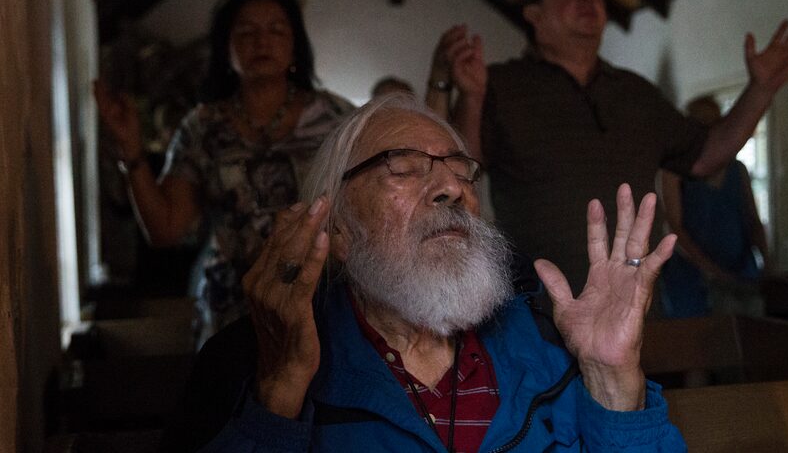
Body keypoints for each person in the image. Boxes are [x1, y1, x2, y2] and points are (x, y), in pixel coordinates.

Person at [162, 94, 686, 452]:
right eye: (405, 167)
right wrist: (279, 391)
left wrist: (613, 378)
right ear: (337, 229)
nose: (450, 187)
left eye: (461, 170)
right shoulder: (256, 366)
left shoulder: (551, 348)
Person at [429, 0, 788, 296]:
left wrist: (761, 90)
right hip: (539, 317)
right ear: (534, 15)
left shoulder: (635, 93)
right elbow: (463, 170)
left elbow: (705, 158)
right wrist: (473, 96)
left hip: (638, 313)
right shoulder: (499, 85)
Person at [94, 0, 353, 346]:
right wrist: (131, 150)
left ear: (296, 45)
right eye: (246, 32)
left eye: (276, 30)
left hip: (322, 303)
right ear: (226, 50)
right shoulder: (203, 126)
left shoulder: (336, 118)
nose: (261, 42)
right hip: (230, 309)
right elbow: (165, 228)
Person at [659, 95, 772, 318]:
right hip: (691, 283)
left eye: (712, 122)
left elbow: (752, 220)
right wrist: (711, 271)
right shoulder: (673, 172)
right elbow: (674, 228)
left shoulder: (737, 170)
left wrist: (768, 265)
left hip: (739, 274)